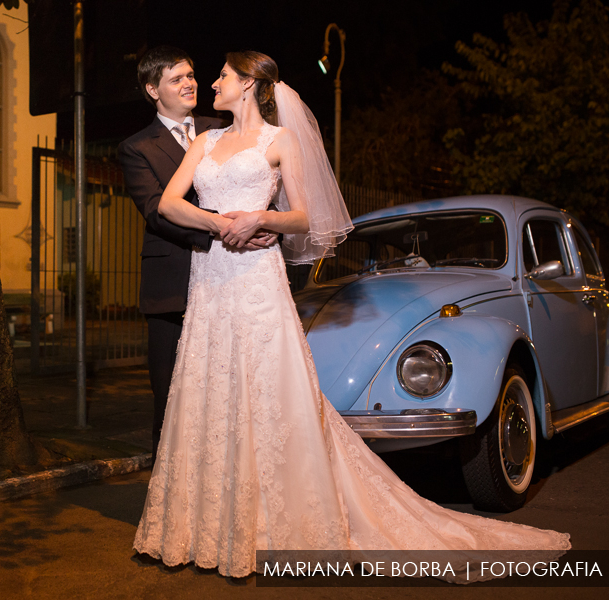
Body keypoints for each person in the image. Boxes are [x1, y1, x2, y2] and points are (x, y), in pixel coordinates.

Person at [132, 50, 571, 580]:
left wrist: (263, 217)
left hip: (256, 280)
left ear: (248, 84)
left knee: (270, 392)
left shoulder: (281, 141)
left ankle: (274, 522)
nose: (212, 81)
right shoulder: (205, 140)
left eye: (223, 74)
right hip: (214, 279)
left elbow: (306, 215)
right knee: (210, 390)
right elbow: (168, 205)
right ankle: (212, 522)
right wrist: (222, 222)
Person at [118, 47, 270, 461]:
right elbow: (156, 212)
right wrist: (225, 229)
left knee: (227, 395)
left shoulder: (218, 128)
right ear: (153, 90)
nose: (189, 84)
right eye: (175, 79)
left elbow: (257, 181)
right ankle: (166, 498)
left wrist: (261, 223)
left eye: (190, 75)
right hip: (173, 286)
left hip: (233, 278)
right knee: (171, 399)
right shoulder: (137, 148)